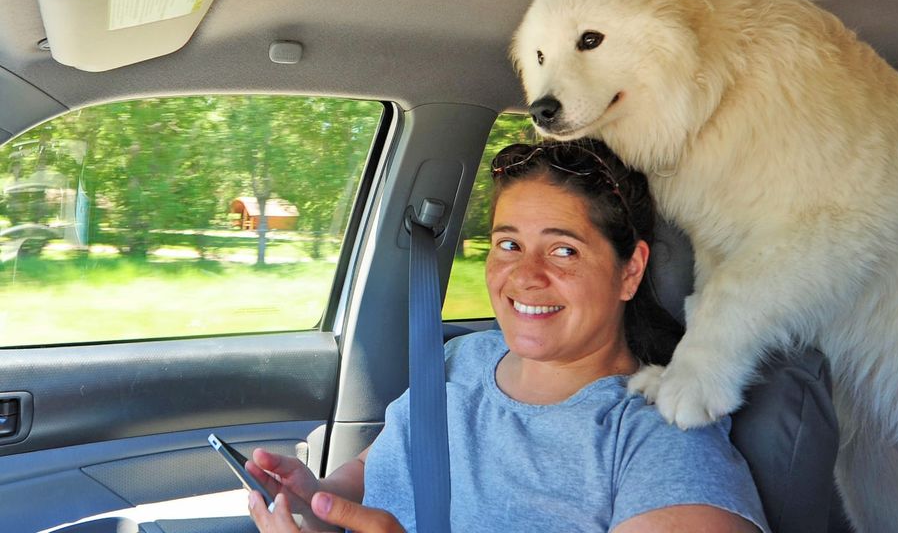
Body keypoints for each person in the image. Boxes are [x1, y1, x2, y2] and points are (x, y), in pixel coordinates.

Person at [247, 139, 767, 532]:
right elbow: (381, 463)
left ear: (630, 271)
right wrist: (318, 500)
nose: (525, 276)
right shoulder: (460, 358)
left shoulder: (662, 438)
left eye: (564, 250)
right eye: (509, 244)